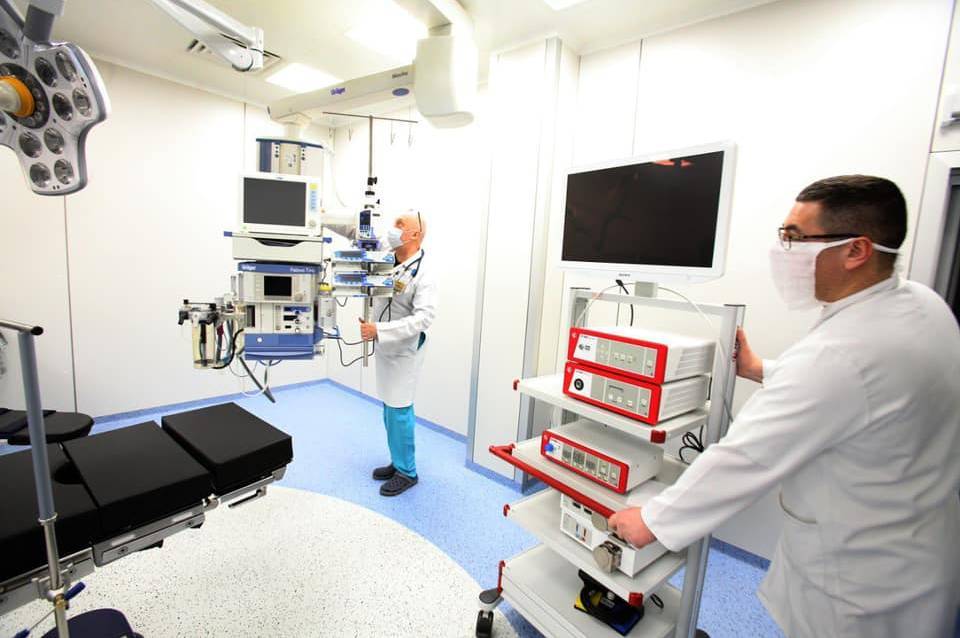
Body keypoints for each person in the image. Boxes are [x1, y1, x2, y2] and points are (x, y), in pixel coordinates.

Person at [608, 175, 960, 637]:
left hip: (859, 584)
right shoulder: (921, 303)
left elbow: (746, 456)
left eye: (795, 237)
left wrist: (654, 520)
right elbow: (861, 394)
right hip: (920, 551)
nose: (783, 251)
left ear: (856, 250)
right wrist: (760, 369)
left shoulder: (840, 353)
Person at [356, 211, 437, 497]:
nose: (392, 229)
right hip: (386, 347)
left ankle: (408, 472)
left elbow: (424, 318)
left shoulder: (424, 273)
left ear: (414, 234)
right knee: (389, 408)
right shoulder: (389, 257)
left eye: (399, 225)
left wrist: (378, 330)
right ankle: (397, 461)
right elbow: (357, 230)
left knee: (400, 409)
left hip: (404, 350)